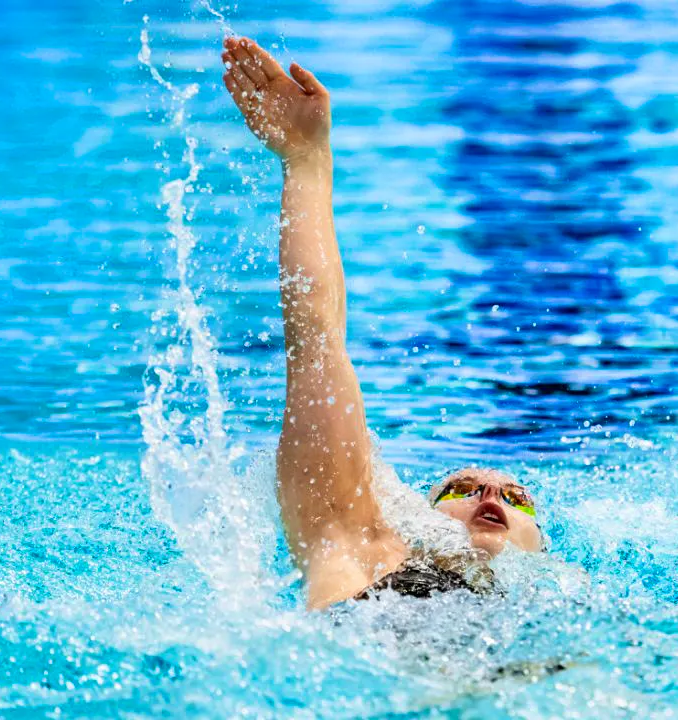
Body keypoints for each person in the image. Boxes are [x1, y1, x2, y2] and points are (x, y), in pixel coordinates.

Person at [220, 36, 545, 609]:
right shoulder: (359, 547)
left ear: (541, 545)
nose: (491, 495)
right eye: (461, 489)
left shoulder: (570, 609)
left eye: (517, 498)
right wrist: (306, 160)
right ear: (418, 514)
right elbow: (316, 343)